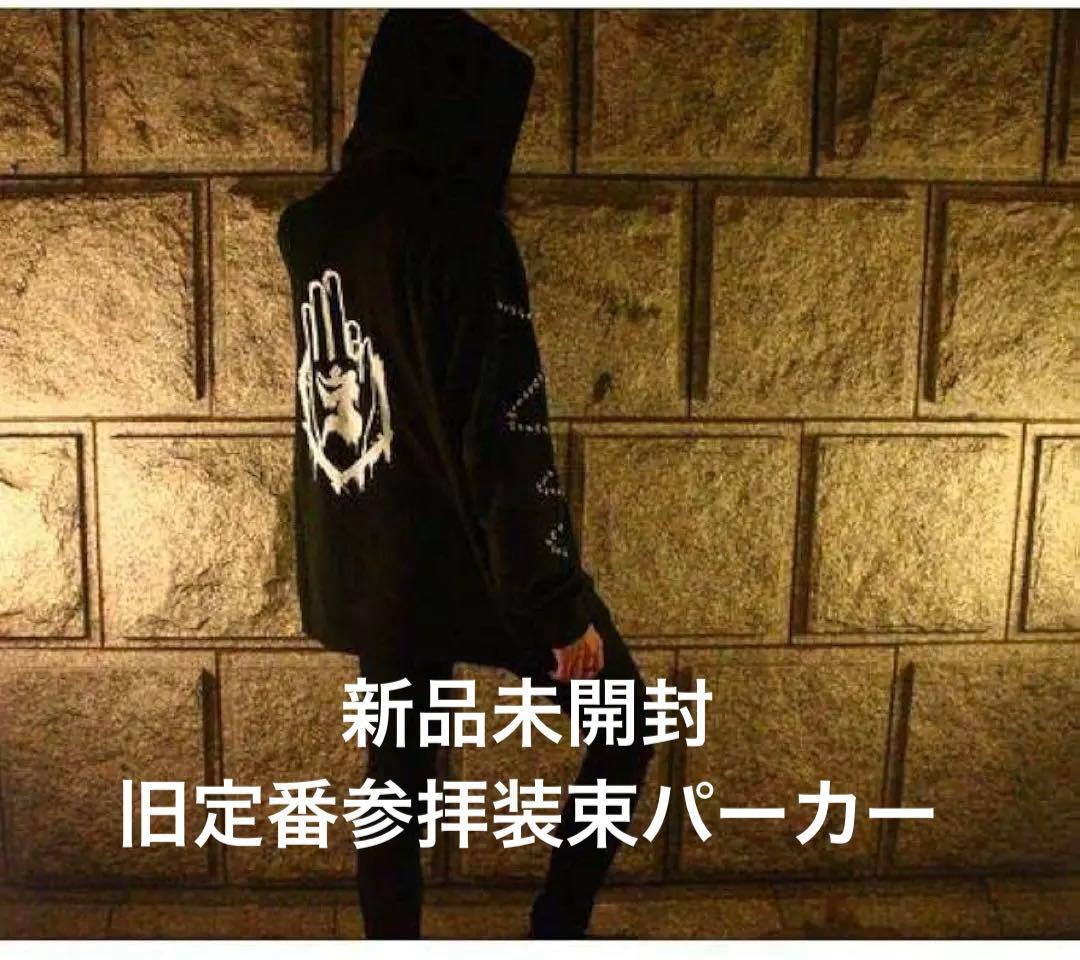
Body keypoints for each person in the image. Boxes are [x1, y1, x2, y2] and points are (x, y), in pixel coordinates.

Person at [276, 9, 654, 939]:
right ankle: (555, 931)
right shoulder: (462, 233)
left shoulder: (315, 229)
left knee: (397, 778)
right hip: (473, 554)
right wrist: (555, 603)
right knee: (629, 720)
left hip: (376, 555)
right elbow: (501, 430)